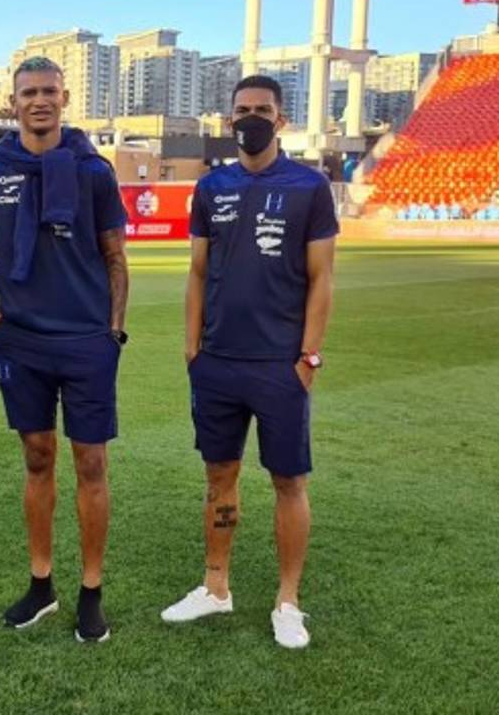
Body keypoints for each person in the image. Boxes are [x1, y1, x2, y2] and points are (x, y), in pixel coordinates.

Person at [0, 57, 129, 643]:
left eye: (49, 91)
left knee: (91, 463)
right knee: (36, 457)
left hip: (85, 341)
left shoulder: (93, 171)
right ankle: (41, 584)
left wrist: (114, 332)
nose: (39, 101)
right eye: (28, 92)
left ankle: (91, 592)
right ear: (12, 101)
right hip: (21, 340)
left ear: (65, 96)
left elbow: (114, 257)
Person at [161, 75, 337, 650]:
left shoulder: (309, 187)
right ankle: (216, 587)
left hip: (279, 364)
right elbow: (197, 271)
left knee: (289, 481)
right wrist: (192, 349)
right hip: (218, 362)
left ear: (281, 120)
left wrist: (307, 357)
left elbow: (322, 279)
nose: (251, 118)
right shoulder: (213, 187)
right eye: (242, 110)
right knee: (219, 478)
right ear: (229, 118)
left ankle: (288, 600)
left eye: (262, 110)